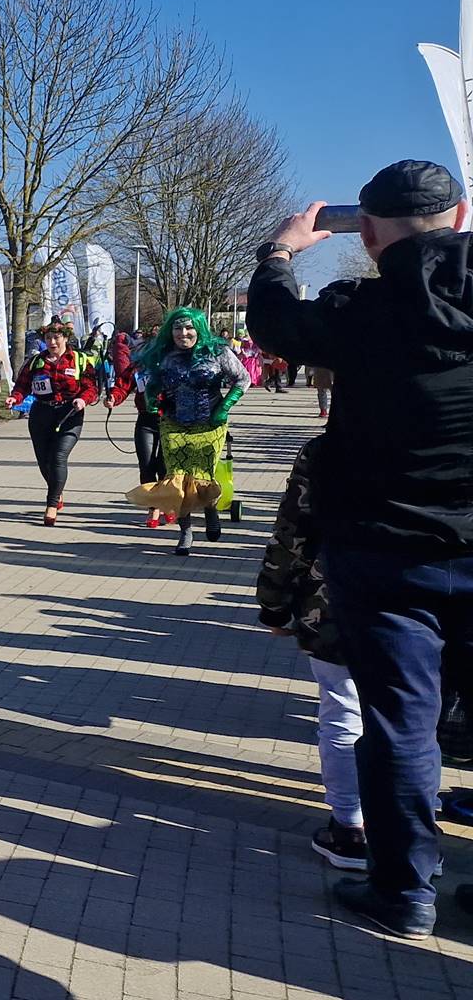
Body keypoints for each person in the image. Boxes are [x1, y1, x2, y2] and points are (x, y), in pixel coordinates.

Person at [248, 161, 473, 938]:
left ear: (367, 234)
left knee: (401, 725)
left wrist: (279, 254)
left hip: (385, 552)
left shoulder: (360, 309)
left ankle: (405, 890)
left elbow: (274, 326)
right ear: (463, 213)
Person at [255, 435, 366, 872]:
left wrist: (274, 601)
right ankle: (413, 834)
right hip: (436, 598)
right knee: (414, 719)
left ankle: (351, 826)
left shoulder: (331, 448)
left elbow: (293, 530)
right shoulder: (454, 432)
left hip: (340, 593)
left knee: (343, 707)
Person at [128, 307, 246, 555]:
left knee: (203, 476)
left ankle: (211, 510)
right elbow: (153, 383)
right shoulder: (164, 355)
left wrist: (225, 406)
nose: (183, 333)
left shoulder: (218, 351)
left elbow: (243, 378)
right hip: (174, 424)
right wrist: (153, 398)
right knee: (178, 480)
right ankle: (185, 532)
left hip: (210, 424)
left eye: (189, 328)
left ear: (199, 329)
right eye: (178, 328)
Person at [10, 321, 97, 526]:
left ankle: (51, 504)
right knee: (44, 461)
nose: (52, 342)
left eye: (56, 337)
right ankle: (57, 489)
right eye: (48, 338)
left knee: (58, 456)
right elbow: (22, 386)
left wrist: (83, 399)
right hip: (41, 413)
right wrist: (15, 398)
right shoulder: (36, 362)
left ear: (65, 338)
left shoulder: (79, 360)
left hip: (70, 413)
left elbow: (92, 387)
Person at [106, 330, 171, 529]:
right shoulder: (139, 367)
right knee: (146, 463)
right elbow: (123, 386)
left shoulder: (173, 365)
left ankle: (168, 503)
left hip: (170, 421)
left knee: (164, 466)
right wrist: (113, 399)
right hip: (145, 420)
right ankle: (153, 506)